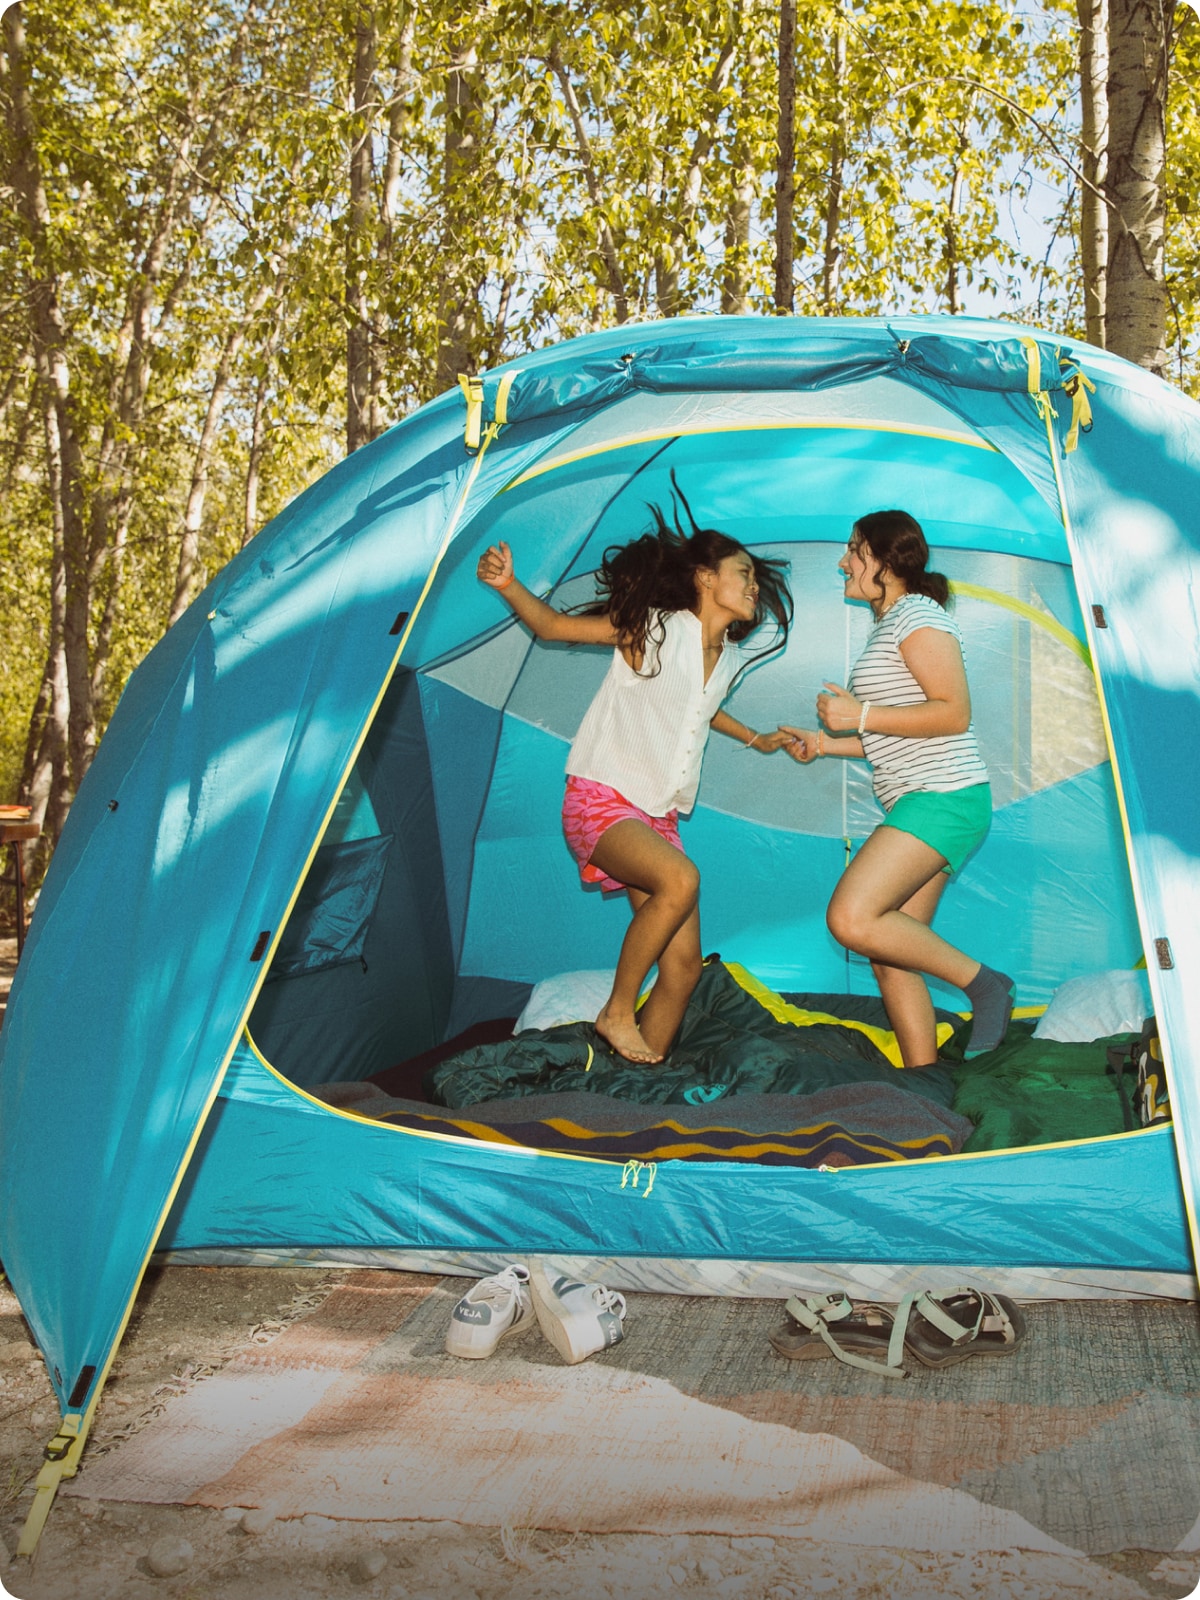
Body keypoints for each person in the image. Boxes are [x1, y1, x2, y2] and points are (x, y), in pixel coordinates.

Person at [477, 483, 794, 1065]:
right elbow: (551, 627)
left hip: (658, 814)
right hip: (601, 797)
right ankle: (617, 1011)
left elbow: (699, 707)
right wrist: (508, 586)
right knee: (680, 880)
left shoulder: (727, 658)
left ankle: (644, 1071)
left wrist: (760, 738)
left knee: (683, 968)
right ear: (704, 576)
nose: (754, 585)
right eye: (742, 572)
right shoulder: (653, 628)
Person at [782, 509, 1012, 1067]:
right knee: (890, 951)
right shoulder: (892, 624)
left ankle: (985, 986)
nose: (843, 561)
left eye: (854, 550)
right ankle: (922, 1077)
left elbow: (952, 713)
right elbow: (893, 733)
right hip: (927, 797)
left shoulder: (918, 615)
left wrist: (859, 713)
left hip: (944, 796)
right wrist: (826, 742)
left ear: (886, 559)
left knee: (851, 918)